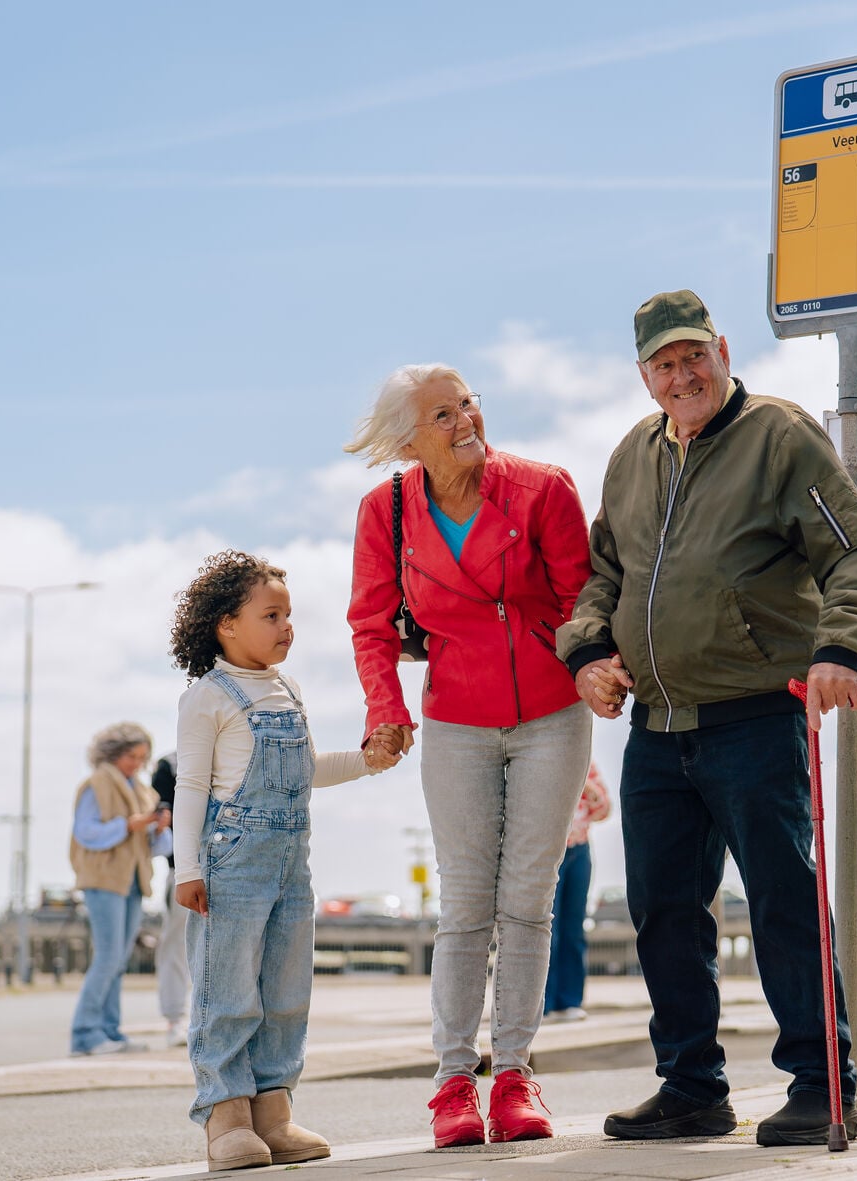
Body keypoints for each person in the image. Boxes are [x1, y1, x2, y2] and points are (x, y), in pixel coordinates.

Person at [557, 290, 857, 1147]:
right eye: (663, 365)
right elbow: (604, 571)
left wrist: (840, 648)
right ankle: (692, 1086)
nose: (682, 377)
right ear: (644, 375)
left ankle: (823, 1085)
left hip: (756, 717)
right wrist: (590, 650)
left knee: (784, 901)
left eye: (693, 356)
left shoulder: (778, 436)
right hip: (657, 728)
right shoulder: (633, 456)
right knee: (664, 909)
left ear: (722, 349)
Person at [344, 363, 594, 1148]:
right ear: (407, 440)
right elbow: (372, 625)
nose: (465, 421)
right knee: (464, 905)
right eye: (443, 414)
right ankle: (454, 1081)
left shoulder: (543, 488)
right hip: (455, 719)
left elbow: (585, 597)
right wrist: (386, 710)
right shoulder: (384, 511)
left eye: (468, 404)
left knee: (527, 897)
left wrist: (598, 666)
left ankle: (516, 1075)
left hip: (552, 714)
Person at [169, 550, 401, 1172]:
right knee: (229, 992)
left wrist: (369, 761)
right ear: (226, 625)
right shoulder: (207, 697)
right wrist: (185, 868)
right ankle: (227, 1117)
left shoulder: (288, 689)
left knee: (286, 989)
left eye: (289, 615)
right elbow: (190, 787)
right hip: (230, 865)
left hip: (290, 865)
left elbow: (308, 771)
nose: (287, 627)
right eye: (271, 615)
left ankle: (274, 1112)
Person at [69, 721, 171, 1057]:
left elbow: (158, 846)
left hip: (133, 880)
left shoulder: (141, 789)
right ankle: (85, 1034)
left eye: (142, 757)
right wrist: (128, 825)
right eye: (131, 756)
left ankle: (109, 1032)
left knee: (119, 958)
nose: (137, 764)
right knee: (108, 957)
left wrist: (156, 827)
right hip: (103, 880)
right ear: (113, 753)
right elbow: (86, 832)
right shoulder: (95, 785)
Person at [543, 763, 612, 1023]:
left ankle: (569, 1001)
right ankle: (543, 1003)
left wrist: (589, 789)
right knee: (549, 930)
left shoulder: (589, 766)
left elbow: (604, 811)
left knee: (573, 929)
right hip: (550, 849)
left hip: (579, 850)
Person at [152, 752, 191, 1047]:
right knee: (176, 945)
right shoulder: (169, 765)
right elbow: (161, 807)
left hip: (233, 865)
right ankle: (175, 1019)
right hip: (183, 867)